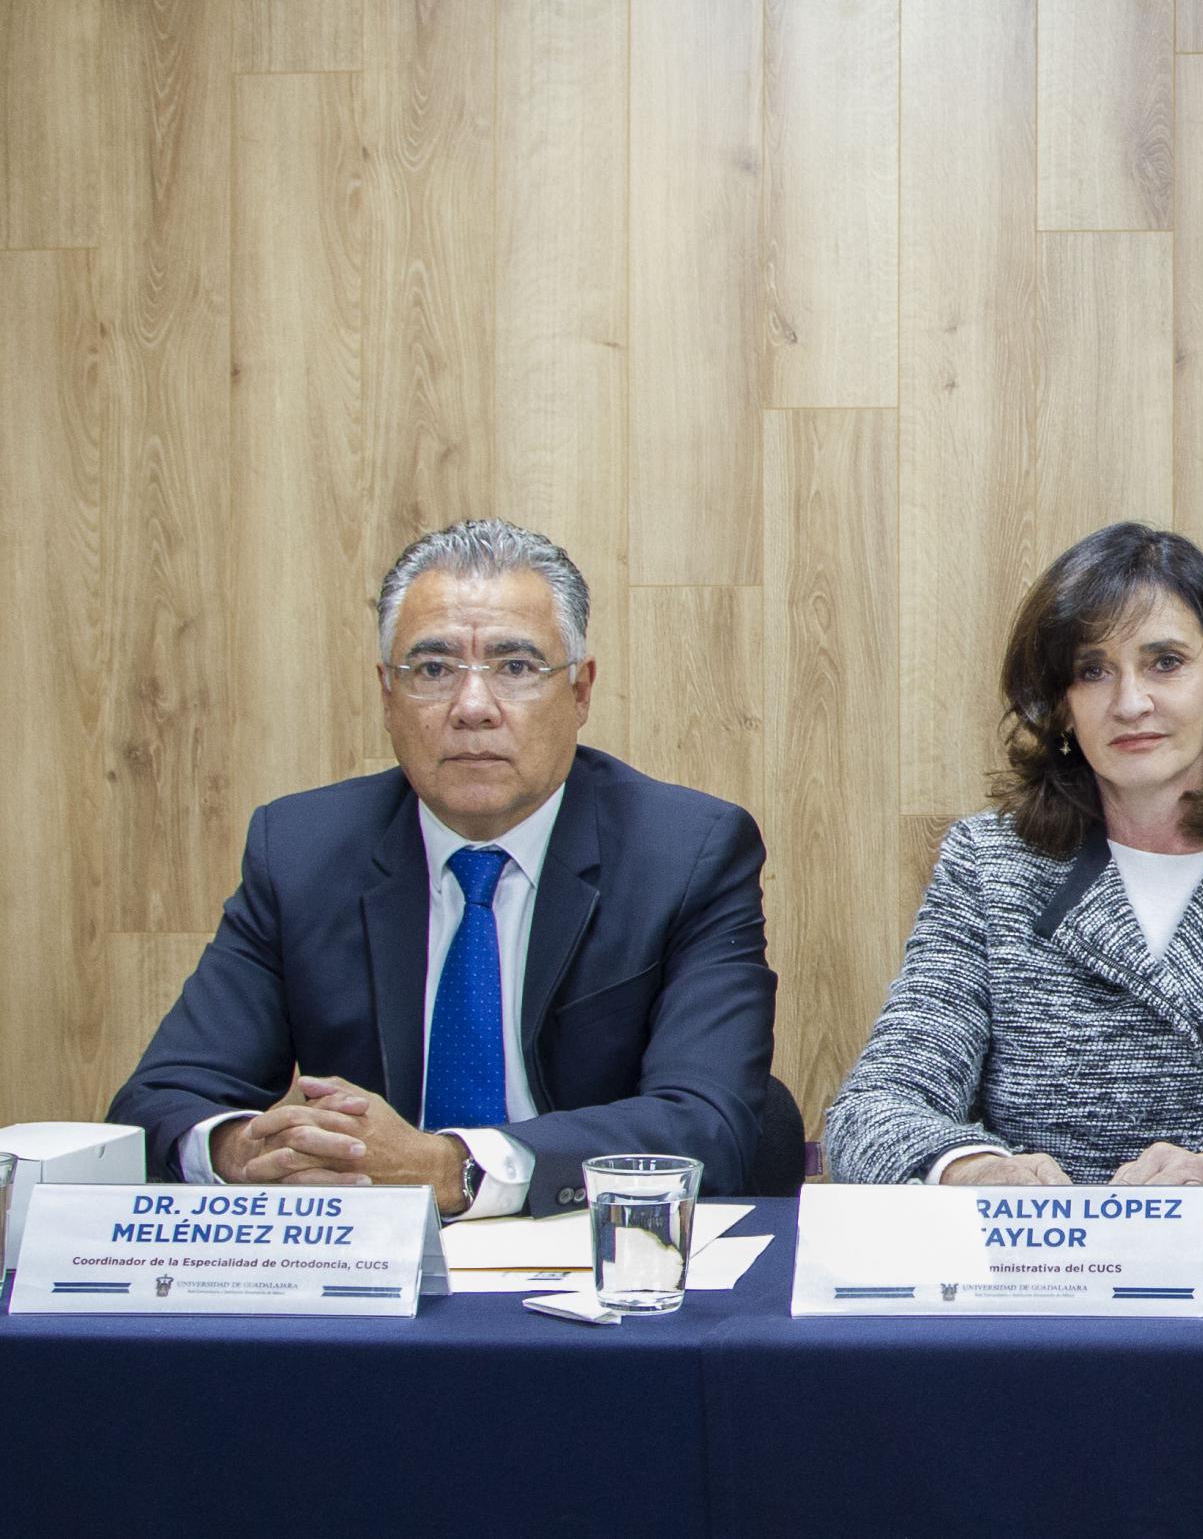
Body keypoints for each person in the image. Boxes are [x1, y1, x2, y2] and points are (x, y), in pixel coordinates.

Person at [109, 521, 778, 1217]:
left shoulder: (686, 853)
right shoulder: (302, 851)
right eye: (432, 670)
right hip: (366, 1267)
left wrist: (455, 1167)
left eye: (516, 667)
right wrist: (245, 1150)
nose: (472, 708)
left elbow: (706, 1121)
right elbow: (157, 1101)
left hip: (585, 1252)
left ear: (580, 691)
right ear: (387, 695)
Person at [823, 523, 1203, 1227]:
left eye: (1165, 662)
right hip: (1038, 1283)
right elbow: (872, 1111)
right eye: (1092, 670)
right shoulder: (988, 864)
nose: (1130, 701)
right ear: (1061, 701)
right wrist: (973, 1169)